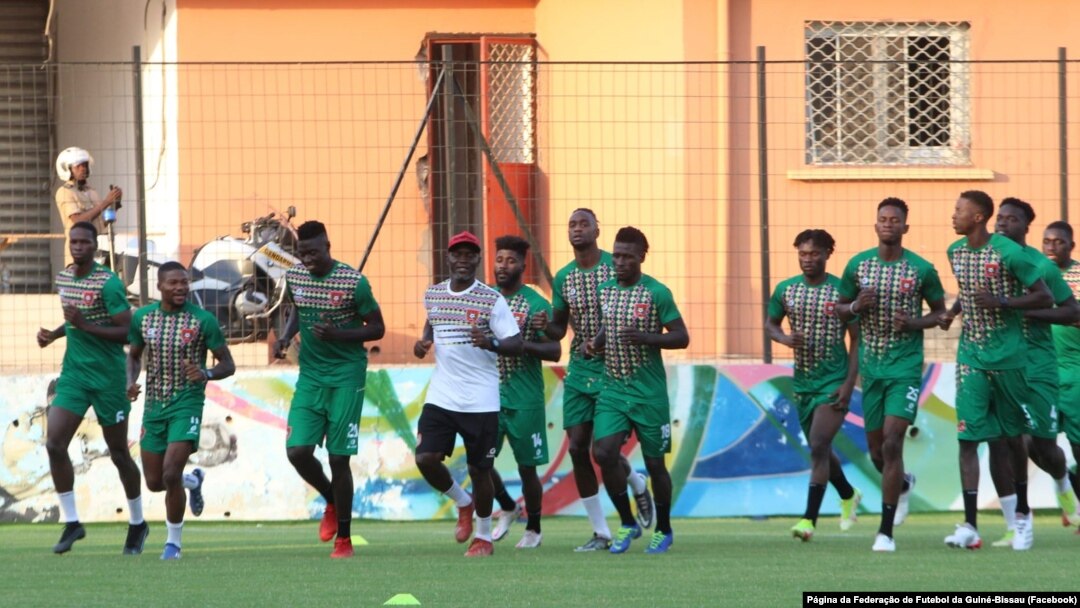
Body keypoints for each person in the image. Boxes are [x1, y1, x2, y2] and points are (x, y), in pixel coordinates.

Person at [939, 190, 1053, 550]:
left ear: (977, 217)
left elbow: (1044, 296)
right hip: (971, 357)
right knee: (968, 437)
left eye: (959, 211)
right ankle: (970, 525)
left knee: (1013, 439)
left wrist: (1003, 301)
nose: (953, 215)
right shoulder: (955, 252)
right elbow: (968, 289)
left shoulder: (1009, 253)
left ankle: (1022, 516)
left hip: (1010, 358)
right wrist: (952, 313)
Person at [540, 209, 654, 552]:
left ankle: (634, 486)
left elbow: (627, 306)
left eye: (583, 223)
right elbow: (558, 328)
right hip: (580, 369)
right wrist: (540, 323)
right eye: (572, 224)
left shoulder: (615, 265)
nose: (577, 229)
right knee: (576, 448)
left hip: (614, 368)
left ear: (597, 230)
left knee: (601, 451)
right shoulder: (563, 277)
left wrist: (601, 341)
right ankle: (601, 530)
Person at [836, 198, 946, 552]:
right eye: (882, 219)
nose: (888, 224)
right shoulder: (857, 266)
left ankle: (884, 533)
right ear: (875, 225)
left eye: (894, 220)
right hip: (872, 369)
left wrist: (915, 323)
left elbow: (941, 314)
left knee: (892, 441)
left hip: (905, 368)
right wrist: (855, 306)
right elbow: (838, 309)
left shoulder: (921, 270)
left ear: (905, 227)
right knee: (875, 450)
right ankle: (901, 486)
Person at [272, 220, 385, 559]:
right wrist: (285, 335)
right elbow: (296, 309)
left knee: (338, 458)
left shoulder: (353, 282)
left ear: (327, 247)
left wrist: (338, 335)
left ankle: (344, 540)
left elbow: (378, 327)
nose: (307, 258)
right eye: (302, 252)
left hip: (347, 376)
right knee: (298, 452)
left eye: (313, 252)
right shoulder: (295, 277)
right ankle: (332, 500)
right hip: (310, 376)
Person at [36, 221, 146, 555]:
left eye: (84, 242)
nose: (78, 246)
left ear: (95, 247)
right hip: (74, 376)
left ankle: (138, 523)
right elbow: (76, 320)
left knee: (118, 454)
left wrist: (84, 325)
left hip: (108, 380)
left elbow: (128, 332)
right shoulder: (64, 278)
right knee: (54, 443)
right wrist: (56, 334)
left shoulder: (108, 284)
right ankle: (72, 523)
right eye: (74, 241)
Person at [413, 231, 524, 557]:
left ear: (478, 259)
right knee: (425, 458)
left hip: (481, 398)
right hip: (442, 395)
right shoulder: (433, 295)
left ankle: (484, 537)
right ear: (448, 258)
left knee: (480, 469)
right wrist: (422, 343)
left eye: (469, 255)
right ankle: (464, 503)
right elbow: (433, 324)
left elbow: (515, 344)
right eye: (457, 254)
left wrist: (489, 342)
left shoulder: (491, 299)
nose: (463, 260)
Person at [585, 227, 689, 554]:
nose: (619, 261)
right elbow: (608, 325)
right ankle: (628, 523)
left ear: (641, 257)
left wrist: (647, 338)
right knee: (603, 453)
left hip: (649, 393)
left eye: (627, 256)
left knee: (656, 465)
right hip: (613, 390)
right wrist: (596, 343)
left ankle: (665, 529)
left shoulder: (657, 293)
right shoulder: (605, 290)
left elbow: (681, 337)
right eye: (616, 255)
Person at [985, 198, 1079, 550]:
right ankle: (1018, 520)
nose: (1002, 225)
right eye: (1000, 218)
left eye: (1011, 220)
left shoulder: (1043, 268)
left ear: (1025, 227)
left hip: (1041, 365)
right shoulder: (987, 261)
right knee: (1007, 441)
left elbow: (1072, 311)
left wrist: (1022, 313)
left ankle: (1062, 480)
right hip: (998, 362)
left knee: (1040, 444)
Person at [126, 261, 235, 560]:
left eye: (184, 282)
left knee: (171, 471)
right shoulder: (143, 319)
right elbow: (133, 356)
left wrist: (206, 374)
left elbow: (227, 364)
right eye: (173, 283)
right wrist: (130, 382)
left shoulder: (203, 321)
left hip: (187, 404)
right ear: (159, 286)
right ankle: (193, 481)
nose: (180, 288)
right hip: (153, 407)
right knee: (154, 481)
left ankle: (172, 544)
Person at [766, 229, 862, 543]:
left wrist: (849, 384)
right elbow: (770, 324)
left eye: (815, 254)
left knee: (819, 444)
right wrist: (782, 338)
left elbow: (857, 340)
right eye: (803, 254)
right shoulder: (786, 290)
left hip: (833, 383)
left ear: (827, 255)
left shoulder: (841, 292)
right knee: (820, 448)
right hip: (803, 383)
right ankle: (848, 494)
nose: (808, 259)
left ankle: (808, 520)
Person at [488, 235, 560, 549]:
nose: (504, 266)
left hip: (525, 398)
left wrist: (519, 346)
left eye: (511, 260)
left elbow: (555, 349)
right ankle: (507, 505)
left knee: (526, 467)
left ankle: (533, 527)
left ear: (523, 265)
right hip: (487, 397)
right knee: (480, 462)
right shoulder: (484, 298)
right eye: (500, 259)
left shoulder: (535, 303)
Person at [1043, 220, 1080, 518]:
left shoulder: (1079, 275)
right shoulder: (1035, 274)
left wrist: (1046, 314)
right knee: (1034, 441)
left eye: (1059, 242)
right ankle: (1065, 483)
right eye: (1047, 241)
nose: (1052, 247)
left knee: (1078, 445)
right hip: (1042, 373)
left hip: (1075, 373)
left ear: (1071, 246)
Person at [54, 147, 122, 267]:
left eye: (85, 165)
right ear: (67, 169)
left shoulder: (92, 191)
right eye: (78, 166)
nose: (83, 169)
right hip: (77, 256)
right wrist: (106, 202)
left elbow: (102, 223)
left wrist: (114, 204)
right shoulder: (65, 192)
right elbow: (78, 221)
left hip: (98, 252)